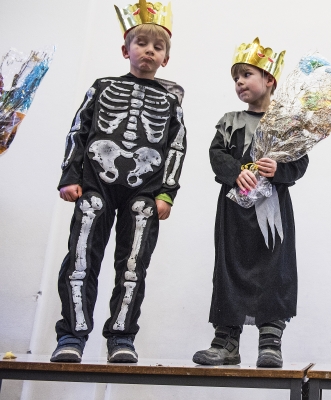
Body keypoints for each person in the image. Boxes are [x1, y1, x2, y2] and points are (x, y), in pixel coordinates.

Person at [50, 1, 186, 363]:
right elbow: (79, 131)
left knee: (132, 266)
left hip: (144, 190)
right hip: (96, 182)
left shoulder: (171, 99)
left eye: (158, 47)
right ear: (125, 49)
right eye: (141, 43)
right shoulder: (102, 85)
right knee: (81, 259)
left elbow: (176, 145)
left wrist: (166, 193)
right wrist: (70, 176)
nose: (149, 51)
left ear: (165, 59)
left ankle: (122, 337)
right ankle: (72, 336)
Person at [193, 38, 308, 368]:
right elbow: (217, 156)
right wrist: (235, 173)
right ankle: (226, 341)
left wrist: (279, 169)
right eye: (235, 78)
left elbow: (299, 164)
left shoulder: (287, 123)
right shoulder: (230, 121)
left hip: (272, 213)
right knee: (229, 268)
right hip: (233, 213)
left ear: (269, 80)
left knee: (275, 269)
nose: (239, 82)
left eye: (246, 75)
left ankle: (271, 340)